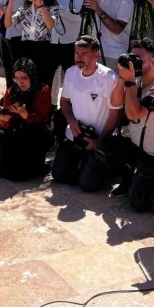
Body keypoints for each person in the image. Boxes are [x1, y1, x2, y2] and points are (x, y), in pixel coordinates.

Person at [107, 39, 154, 210]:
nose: (134, 63)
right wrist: (123, 77)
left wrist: (129, 82)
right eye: (132, 58)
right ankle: (130, 177)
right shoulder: (134, 80)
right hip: (137, 149)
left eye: (139, 60)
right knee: (104, 145)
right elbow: (115, 103)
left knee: (139, 205)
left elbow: (133, 113)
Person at [51, 36, 124, 191]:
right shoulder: (71, 73)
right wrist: (71, 121)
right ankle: (84, 164)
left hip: (99, 137)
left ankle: (106, 165)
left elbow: (115, 115)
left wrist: (98, 142)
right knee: (59, 176)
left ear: (96, 54)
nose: (79, 58)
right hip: (75, 136)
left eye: (84, 54)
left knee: (88, 185)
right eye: (77, 53)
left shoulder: (109, 77)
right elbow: (64, 102)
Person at [0, 58, 54, 181]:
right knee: (2, 168)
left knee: (23, 172)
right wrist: (4, 119)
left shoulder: (43, 90)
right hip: (16, 131)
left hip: (36, 131)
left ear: (32, 76)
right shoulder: (11, 91)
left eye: (25, 78)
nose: (20, 82)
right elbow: (7, 122)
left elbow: (42, 119)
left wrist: (25, 114)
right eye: (17, 78)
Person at [5, 0, 59, 86]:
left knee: (43, 83)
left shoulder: (51, 5)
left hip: (44, 48)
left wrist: (40, 5)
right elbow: (8, 24)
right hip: (26, 48)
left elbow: (51, 25)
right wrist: (11, 3)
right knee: (28, 83)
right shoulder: (26, 7)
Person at [46, 0, 84, 104]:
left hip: (70, 42)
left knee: (73, 77)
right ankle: (52, 106)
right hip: (51, 41)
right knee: (50, 77)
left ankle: (75, 105)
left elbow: (79, 16)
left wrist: (59, 10)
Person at [83, 0, 134, 68]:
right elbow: (88, 13)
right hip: (97, 51)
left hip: (114, 55)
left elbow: (117, 29)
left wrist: (99, 10)